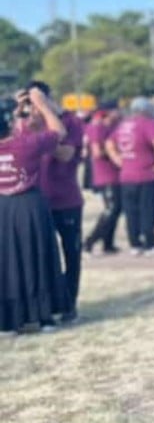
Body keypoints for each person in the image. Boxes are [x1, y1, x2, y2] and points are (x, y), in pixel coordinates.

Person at [1, 87, 70, 333]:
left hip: (4, 206)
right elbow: (58, 132)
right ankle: (43, 316)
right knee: (37, 257)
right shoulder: (26, 145)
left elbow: (14, 132)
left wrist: (18, 111)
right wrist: (41, 103)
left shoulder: (18, 142)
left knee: (8, 262)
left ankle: (9, 320)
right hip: (28, 205)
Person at [31, 81, 86, 321]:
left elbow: (66, 154)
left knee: (71, 254)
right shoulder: (26, 123)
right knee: (41, 257)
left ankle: (69, 304)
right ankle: (49, 305)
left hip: (66, 199)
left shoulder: (71, 121)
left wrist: (42, 129)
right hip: (36, 200)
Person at [108, 97, 154, 256]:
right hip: (146, 175)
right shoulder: (148, 124)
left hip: (126, 176)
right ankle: (150, 244)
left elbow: (109, 144)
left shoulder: (123, 125)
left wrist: (119, 160)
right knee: (148, 210)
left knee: (131, 212)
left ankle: (134, 244)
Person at [82, 99, 123, 255]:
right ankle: (90, 240)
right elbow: (97, 151)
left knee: (116, 209)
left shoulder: (111, 126)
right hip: (106, 174)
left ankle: (108, 242)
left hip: (115, 174)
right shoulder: (97, 127)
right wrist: (114, 153)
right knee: (111, 209)